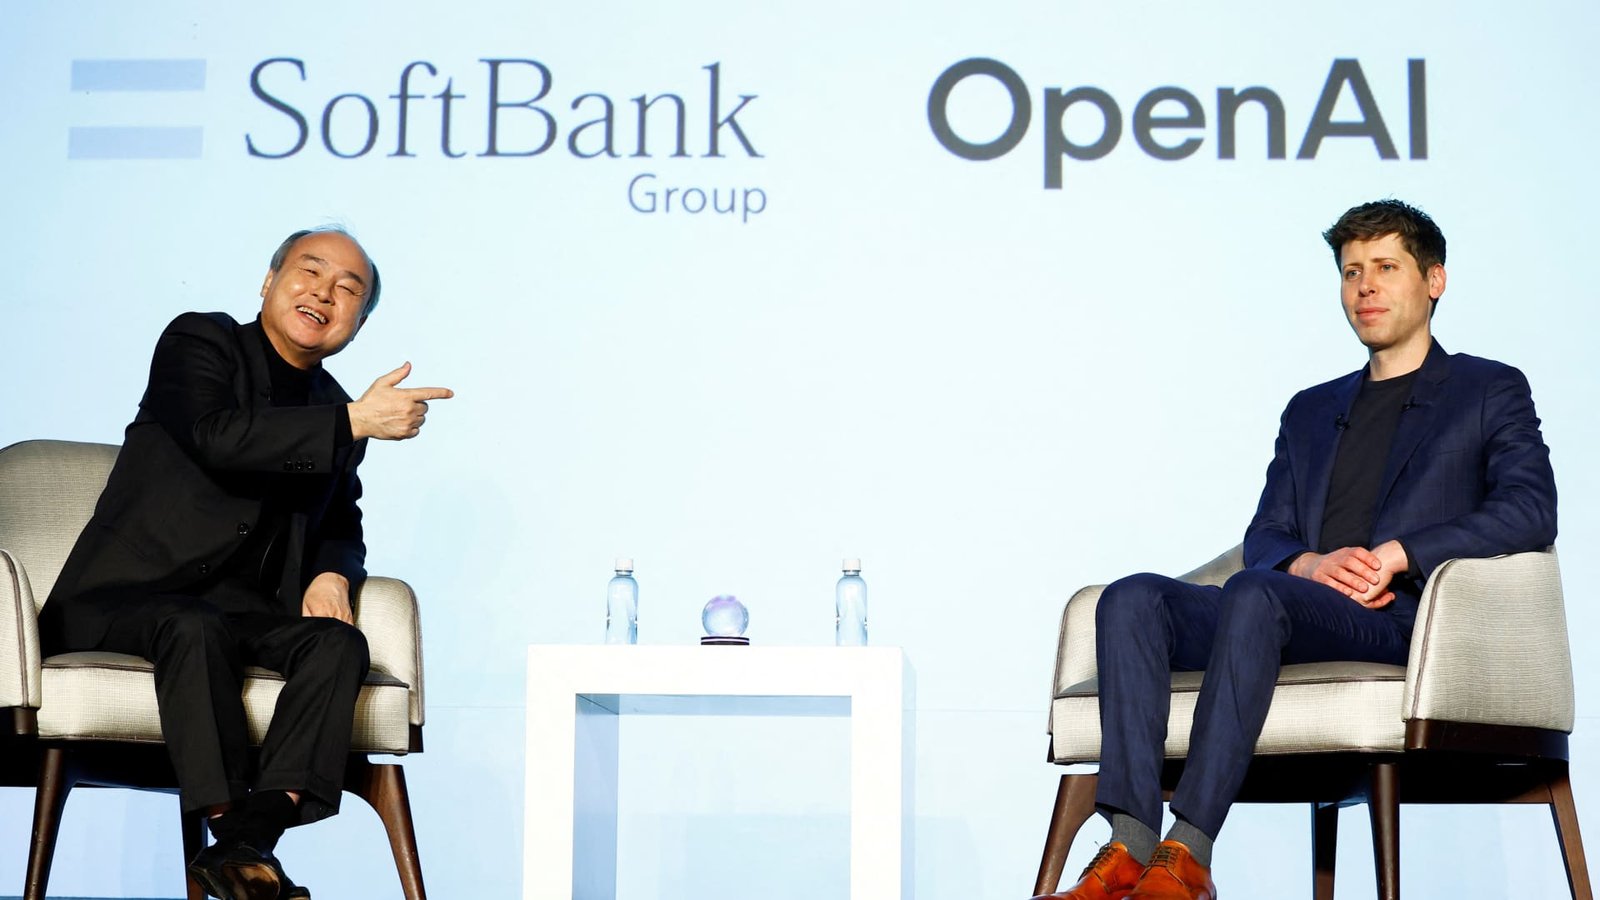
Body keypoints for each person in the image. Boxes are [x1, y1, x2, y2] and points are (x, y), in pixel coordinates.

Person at [1033, 200, 1557, 900]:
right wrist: (1307, 564)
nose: (1365, 287)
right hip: (1292, 605)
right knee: (1132, 598)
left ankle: (1188, 854)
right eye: (1351, 272)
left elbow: (1530, 509)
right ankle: (1130, 843)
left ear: (1434, 280)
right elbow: (1267, 534)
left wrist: (1400, 553)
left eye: (1385, 267)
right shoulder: (1311, 408)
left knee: (1255, 593)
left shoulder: (1487, 389)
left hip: (1399, 619)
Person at [40, 227, 454, 900]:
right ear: (268, 282)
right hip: (126, 598)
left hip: (242, 613)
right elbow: (218, 437)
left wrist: (331, 573)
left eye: (348, 289)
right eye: (309, 271)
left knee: (337, 644)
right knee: (192, 625)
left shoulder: (334, 406)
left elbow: (341, 522)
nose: (324, 292)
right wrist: (351, 422)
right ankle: (241, 840)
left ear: (357, 323)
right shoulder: (200, 342)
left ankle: (245, 840)